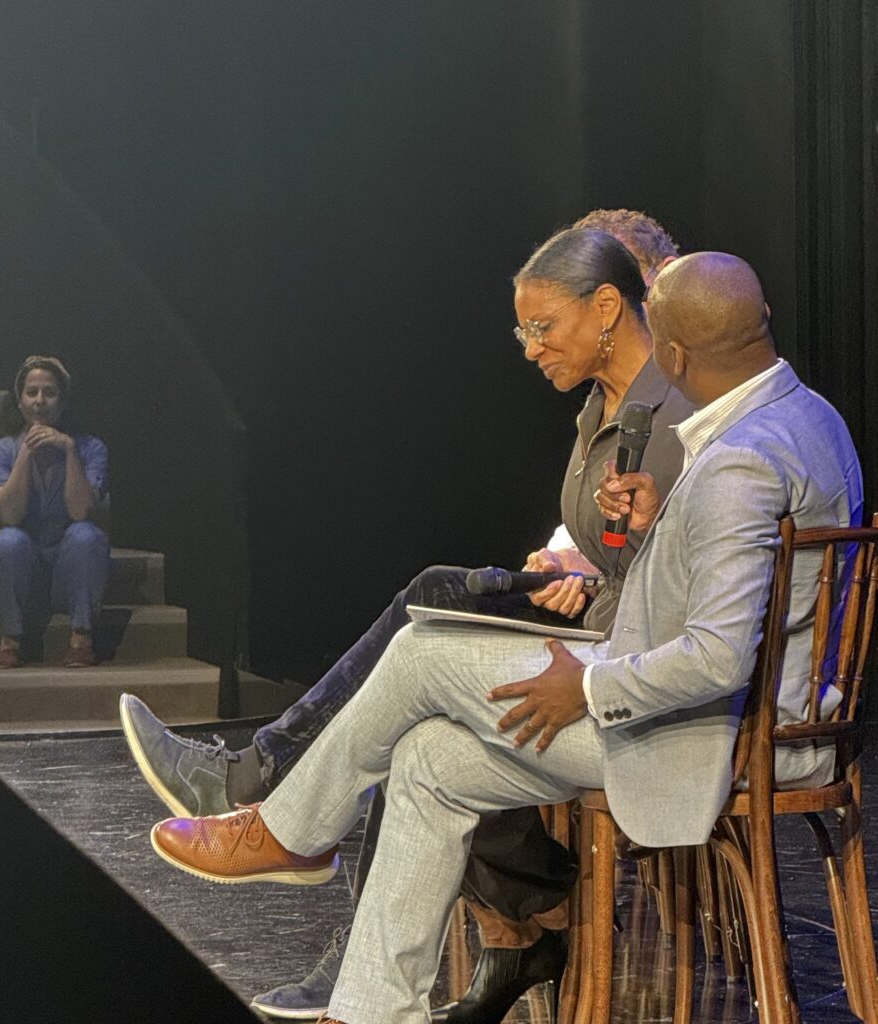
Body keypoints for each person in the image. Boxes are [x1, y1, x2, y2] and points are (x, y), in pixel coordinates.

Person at [149, 251, 862, 1024]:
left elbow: (717, 658)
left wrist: (584, 685)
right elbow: (753, 589)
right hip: (758, 717)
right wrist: (664, 522)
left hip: (714, 737)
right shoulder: (807, 416)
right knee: (427, 759)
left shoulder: (739, 461)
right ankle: (370, 1012)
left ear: (676, 354)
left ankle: (292, 830)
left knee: (421, 651)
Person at [0, 355, 110, 669]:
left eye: (49, 393)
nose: (40, 401)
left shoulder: (91, 448)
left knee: (86, 535)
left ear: (62, 401)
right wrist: (26, 452)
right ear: (20, 402)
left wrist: (69, 451)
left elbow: (80, 510)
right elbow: (10, 514)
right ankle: (10, 639)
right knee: (7, 540)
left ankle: (81, 638)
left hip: (68, 570)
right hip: (22, 570)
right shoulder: (0, 452)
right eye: (31, 392)